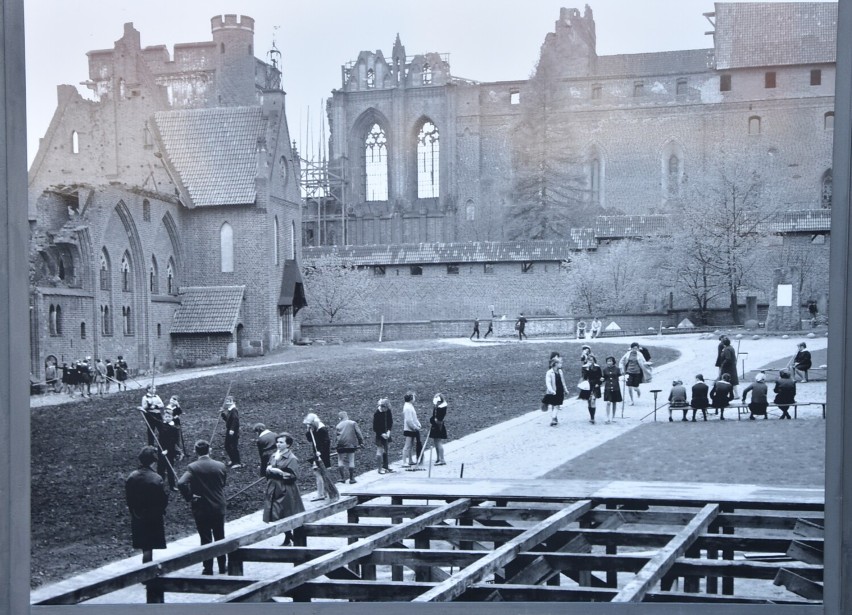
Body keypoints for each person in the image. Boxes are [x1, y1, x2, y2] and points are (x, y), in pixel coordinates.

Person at [177, 439, 228, 575]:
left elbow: (181, 483)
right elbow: (223, 483)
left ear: (195, 451)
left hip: (202, 507)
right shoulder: (221, 465)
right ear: (209, 450)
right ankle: (223, 566)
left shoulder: (193, 467)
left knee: (205, 538)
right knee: (220, 536)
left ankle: (208, 568)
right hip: (218, 505)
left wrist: (190, 496)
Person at [125, 445, 168, 563]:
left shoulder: (132, 477)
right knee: (149, 547)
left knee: (145, 547)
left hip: (138, 515)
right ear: (153, 461)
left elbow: (129, 498)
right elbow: (163, 500)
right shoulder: (156, 478)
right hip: (153, 517)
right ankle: (148, 574)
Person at [263, 433, 305, 546]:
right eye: (277, 442)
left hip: (286, 489)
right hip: (273, 488)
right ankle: (288, 537)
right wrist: (268, 470)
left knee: (286, 513)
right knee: (277, 514)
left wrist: (280, 473)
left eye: (281, 442)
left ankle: (291, 538)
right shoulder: (273, 456)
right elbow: (268, 469)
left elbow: (294, 476)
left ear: (288, 445)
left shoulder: (292, 458)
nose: (278, 444)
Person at [303, 412, 333, 501]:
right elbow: (310, 439)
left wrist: (320, 452)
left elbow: (326, 442)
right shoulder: (313, 429)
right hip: (317, 453)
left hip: (321, 454)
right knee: (319, 473)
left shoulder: (322, 429)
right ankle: (323, 493)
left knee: (319, 473)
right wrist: (308, 430)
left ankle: (322, 493)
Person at [156, 405, 182, 491]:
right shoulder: (161, 425)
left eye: (169, 417)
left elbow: (173, 441)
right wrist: (143, 411)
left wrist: (167, 450)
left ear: (172, 417)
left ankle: (172, 485)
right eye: (166, 416)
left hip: (170, 451)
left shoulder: (174, 428)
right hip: (161, 449)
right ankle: (159, 483)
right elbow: (153, 419)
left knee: (170, 468)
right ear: (164, 417)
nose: (167, 418)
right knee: (160, 468)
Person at [334, 411, 364, 484]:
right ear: (346, 416)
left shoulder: (338, 425)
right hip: (351, 444)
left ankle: (342, 478)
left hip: (341, 445)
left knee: (340, 460)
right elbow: (358, 433)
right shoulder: (352, 423)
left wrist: (336, 445)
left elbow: (336, 437)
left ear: (339, 418)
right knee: (351, 460)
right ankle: (351, 478)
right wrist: (361, 442)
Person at [542, 355, 565, 427]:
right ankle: (553, 419)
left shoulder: (560, 371)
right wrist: (551, 391)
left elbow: (563, 381)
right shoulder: (549, 372)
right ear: (556, 364)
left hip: (560, 391)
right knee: (555, 405)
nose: (561, 364)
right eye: (560, 363)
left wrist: (565, 389)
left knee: (556, 405)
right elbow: (548, 383)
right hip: (553, 391)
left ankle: (554, 418)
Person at [373, 398, 394, 474]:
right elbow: (375, 428)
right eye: (385, 409)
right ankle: (379, 469)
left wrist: (388, 432)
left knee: (386, 450)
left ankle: (386, 466)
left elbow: (390, 422)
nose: (386, 411)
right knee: (379, 451)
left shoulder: (388, 411)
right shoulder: (377, 414)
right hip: (380, 435)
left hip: (386, 433)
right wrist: (382, 434)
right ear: (382, 407)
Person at [580, 354, 603, 424]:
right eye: (589, 360)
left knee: (593, 400)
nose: (590, 361)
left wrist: (598, 383)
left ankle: (593, 417)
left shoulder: (597, 367)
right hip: (587, 386)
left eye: (591, 360)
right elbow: (584, 377)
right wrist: (587, 369)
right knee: (589, 402)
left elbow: (600, 377)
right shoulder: (584, 367)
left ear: (594, 360)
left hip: (595, 385)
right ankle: (591, 416)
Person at [401, 391, 422, 467]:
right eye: (413, 397)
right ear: (411, 398)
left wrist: (418, 424)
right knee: (407, 446)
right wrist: (415, 427)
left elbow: (414, 418)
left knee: (411, 445)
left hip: (412, 429)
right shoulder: (407, 407)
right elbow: (409, 420)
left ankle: (410, 460)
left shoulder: (410, 406)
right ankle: (404, 461)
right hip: (409, 429)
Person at [220, 396, 241, 469]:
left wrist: (232, 429)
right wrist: (222, 413)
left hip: (233, 432)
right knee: (227, 446)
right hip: (229, 430)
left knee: (233, 447)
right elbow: (228, 420)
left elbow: (236, 420)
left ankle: (237, 463)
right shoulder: (230, 410)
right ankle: (233, 460)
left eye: (229, 401)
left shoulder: (234, 410)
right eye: (226, 401)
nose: (227, 402)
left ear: (233, 402)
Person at [601, 356, 622, 423]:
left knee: (614, 402)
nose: (609, 362)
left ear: (613, 362)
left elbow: (620, 377)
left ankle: (614, 417)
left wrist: (624, 378)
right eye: (608, 361)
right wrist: (602, 379)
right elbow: (603, 378)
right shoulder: (605, 370)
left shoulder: (617, 369)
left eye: (610, 361)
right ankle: (607, 417)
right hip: (608, 387)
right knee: (608, 402)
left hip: (616, 387)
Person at [429, 394, 449, 464]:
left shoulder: (440, 408)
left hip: (438, 425)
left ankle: (442, 459)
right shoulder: (438, 406)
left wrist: (432, 420)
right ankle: (438, 458)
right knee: (436, 442)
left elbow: (437, 419)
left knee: (438, 442)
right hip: (437, 425)